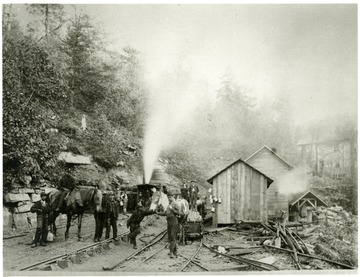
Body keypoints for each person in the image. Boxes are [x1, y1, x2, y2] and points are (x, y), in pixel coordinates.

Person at [156, 192, 182, 258]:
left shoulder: (176, 204)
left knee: (172, 237)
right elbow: (166, 213)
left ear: (173, 197)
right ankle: (175, 251)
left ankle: (171, 253)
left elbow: (179, 213)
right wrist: (158, 213)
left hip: (174, 221)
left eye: (170, 197)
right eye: (168, 197)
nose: (169, 198)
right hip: (169, 222)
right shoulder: (169, 204)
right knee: (170, 237)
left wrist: (172, 209)